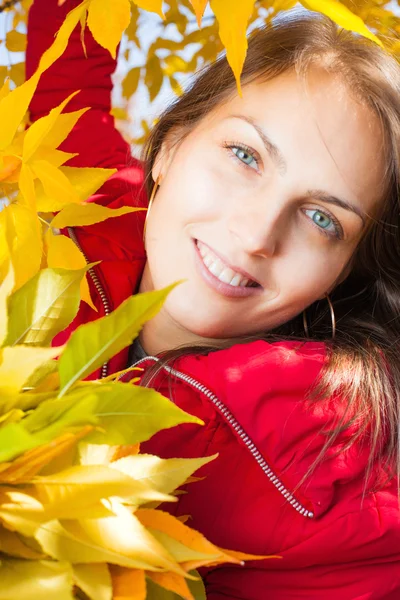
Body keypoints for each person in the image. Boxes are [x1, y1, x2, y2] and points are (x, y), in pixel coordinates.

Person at [27, 0, 400, 597]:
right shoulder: (94, 215)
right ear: (171, 144)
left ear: (346, 270)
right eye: (245, 156)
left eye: (321, 218)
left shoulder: (320, 460)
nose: (255, 236)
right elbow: (65, 81)